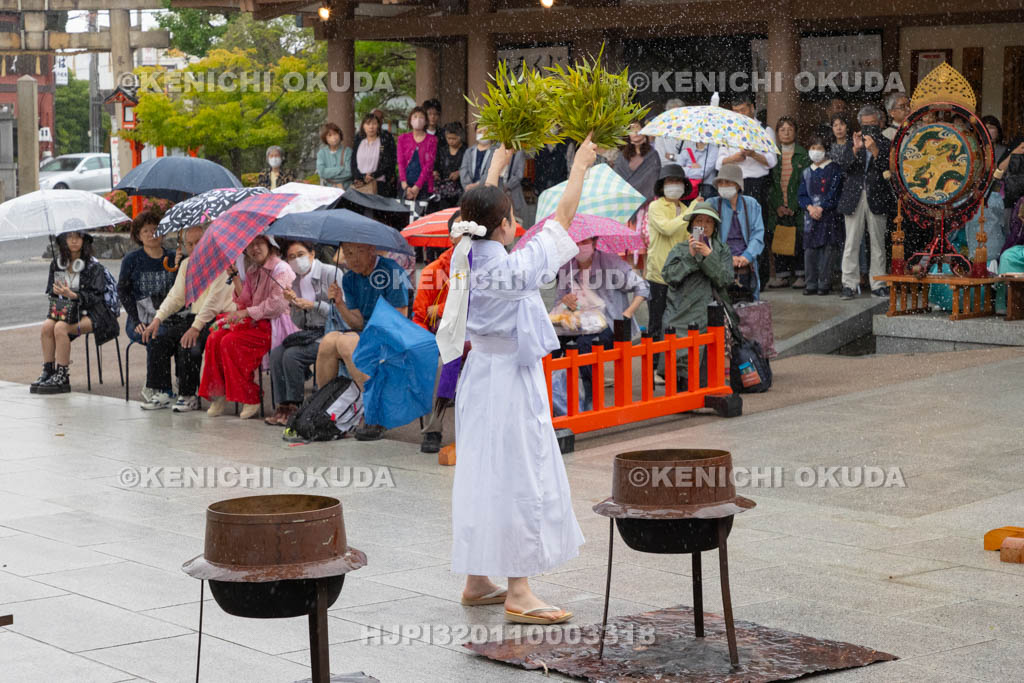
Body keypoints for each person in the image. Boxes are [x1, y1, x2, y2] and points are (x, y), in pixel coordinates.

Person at [439, 134, 597, 626]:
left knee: (483, 473)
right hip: (508, 379)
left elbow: (480, 210)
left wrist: (497, 162)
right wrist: (581, 166)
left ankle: (476, 578)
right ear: (504, 226)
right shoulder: (510, 270)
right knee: (517, 474)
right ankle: (520, 590)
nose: (517, 224)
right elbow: (562, 221)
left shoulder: (465, 251)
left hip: (480, 376)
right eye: (511, 218)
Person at [314, 241, 410, 441]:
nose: (353, 258)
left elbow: (400, 317)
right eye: (348, 253)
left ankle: (375, 413)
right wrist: (339, 303)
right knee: (329, 341)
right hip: (365, 333)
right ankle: (328, 407)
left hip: (393, 335)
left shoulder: (392, 272)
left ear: (372, 250)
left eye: (358, 252)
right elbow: (356, 322)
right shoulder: (350, 279)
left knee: (347, 343)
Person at [140, 223, 236, 412]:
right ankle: (164, 391)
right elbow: (176, 296)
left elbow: (213, 303)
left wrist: (195, 328)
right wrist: (157, 319)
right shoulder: (187, 264)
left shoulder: (223, 263)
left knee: (189, 344)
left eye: (198, 242)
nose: (194, 248)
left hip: (218, 318)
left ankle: (188, 395)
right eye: (190, 244)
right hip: (195, 317)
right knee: (158, 338)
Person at [200, 235, 296, 419]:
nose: (254, 249)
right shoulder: (253, 270)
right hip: (255, 321)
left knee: (231, 342)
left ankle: (250, 396)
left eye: (259, 243)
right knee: (214, 337)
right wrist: (235, 277)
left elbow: (277, 305)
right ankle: (219, 392)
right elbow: (246, 301)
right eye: (250, 245)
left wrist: (245, 313)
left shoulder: (281, 269)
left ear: (269, 245)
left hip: (274, 325)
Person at [554, 235, 648, 409]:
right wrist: (566, 300)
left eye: (585, 242)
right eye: (577, 242)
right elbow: (558, 300)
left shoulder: (610, 262)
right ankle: (549, 391)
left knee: (584, 345)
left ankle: (592, 395)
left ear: (595, 243)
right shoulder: (567, 266)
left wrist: (627, 314)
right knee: (551, 341)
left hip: (609, 324)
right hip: (577, 323)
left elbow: (642, 287)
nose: (580, 246)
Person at [264, 241, 346, 426]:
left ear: (312, 253)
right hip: (309, 334)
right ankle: (282, 405)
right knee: (277, 353)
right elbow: (300, 323)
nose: (296, 260)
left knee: (292, 356)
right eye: (291, 257)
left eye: (300, 254)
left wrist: (314, 305)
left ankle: (295, 406)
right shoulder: (296, 281)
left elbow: (342, 313)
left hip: (331, 332)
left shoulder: (330, 273)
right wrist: (294, 305)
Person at [33, 229, 119, 394]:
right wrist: (57, 291)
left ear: (84, 240)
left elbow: (97, 296)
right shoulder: (57, 264)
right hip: (67, 311)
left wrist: (74, 295)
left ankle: (63, 375)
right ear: (63, 240)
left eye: (78, 237)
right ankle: (48, 370)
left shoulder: (93, 266)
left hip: (94, 313)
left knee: (60, 328)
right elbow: (52, 293)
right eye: (69, 237)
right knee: (46, 327)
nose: (73, 241)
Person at [662, 202, 733, 387]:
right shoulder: (680, 249)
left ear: (714, 226)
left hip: (711, 310)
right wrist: (691, 255)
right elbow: (669, 276)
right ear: (692, 226)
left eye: (708, 221)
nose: (703, 225)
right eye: (699, 221)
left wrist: (709, 256)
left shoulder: (722, 250)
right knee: (677, 342)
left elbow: (725, 279)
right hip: (682, 308)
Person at [116, 210, 178, 408]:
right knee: (155, 336)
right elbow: (123, 292)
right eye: (146, 231)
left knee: (166, 335)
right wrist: (136, 321)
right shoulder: (132, 260)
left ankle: (164, 385)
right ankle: (161, 388)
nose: (153, 234)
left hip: (169, 316)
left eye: (156, 229)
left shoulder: (173, 257)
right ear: (138, 236)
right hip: (140, 318)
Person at [412, 210, 461, 453]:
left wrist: (441, 308)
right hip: (443, 340)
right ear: (451, 237)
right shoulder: (434, 271)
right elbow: (420, 316)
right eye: (460, 231)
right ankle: (433, 429)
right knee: (436, 364)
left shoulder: (489, 268)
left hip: (480, 340)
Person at [716, 94, 776, 284]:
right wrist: (736, 157)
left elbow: (772, 161)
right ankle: (734, 272)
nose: (740, 114)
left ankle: (760, 276)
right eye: (736, 112)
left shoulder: (764, 130)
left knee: (758, 228)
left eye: (743, 110)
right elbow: (718, 163)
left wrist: (754, 155)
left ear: (752, 108)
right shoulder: (728, 131)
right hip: (733, 183)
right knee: (732, 227)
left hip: (757, 184)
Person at [836, 105, 893, 299]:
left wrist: (875, 151)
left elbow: (889, 171)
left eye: (872, 125)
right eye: (865, 125)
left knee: (878, 242)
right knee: (851, 242)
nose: (868, 128)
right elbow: (843, 167)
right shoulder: (853, 142)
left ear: (880, 123)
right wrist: (854, 149)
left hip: (877, 195)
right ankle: (849, 284)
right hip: (854, 197)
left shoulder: (886, 143)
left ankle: (878, 283)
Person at [644, 164, 695, 380]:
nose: (673, 186)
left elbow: (687, 240)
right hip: (658, 275)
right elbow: (667, 228)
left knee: (675, 323)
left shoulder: (685, 210)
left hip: (679, 276)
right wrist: (693, 209)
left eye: (677, 182)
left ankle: (672, 364)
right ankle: (654, 367)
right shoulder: (656, 207)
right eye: (669, 182)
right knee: (657, 322)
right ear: (662, 186)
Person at [706, 163, 766, 299]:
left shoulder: (751, 204)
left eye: (728, 182)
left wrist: (747, 256)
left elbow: (758, 234)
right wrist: (698, 206)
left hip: (745, 264)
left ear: (738, 185)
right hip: (720, 264)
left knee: (747, 307)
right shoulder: (711, 203)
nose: (723, 185)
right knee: (720, 310)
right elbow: (704, 236)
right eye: (720, 182)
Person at [766, 117, 810, 289]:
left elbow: (804, 183)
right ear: (777, 133)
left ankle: (800, 274)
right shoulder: (772, 155)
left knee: (799, 239)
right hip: (777, 206)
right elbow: (769, 185)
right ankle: (782, 275)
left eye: (790, 129)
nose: (786, 132)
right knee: (778, 237)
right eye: (782, 129)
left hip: (797, 206)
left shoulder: (803, 155)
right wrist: (778, 206)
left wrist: (793, 205)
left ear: (796, 132)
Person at [798, 135, 844, 296]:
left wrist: (822, 207)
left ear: (826, 151)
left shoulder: (834, 169)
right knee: (809, 250)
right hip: (810, 216)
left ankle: (824, 282)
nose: (815, 152)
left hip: (829, 215)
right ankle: (810, 282)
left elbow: (834, 193)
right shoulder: (806, 172)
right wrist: (810, 207)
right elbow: (801, 195)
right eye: (812, 148)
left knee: (828, 249)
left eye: (819, 148)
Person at [350, 113, 398, 197]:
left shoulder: (384, 142)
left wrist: (373, 175)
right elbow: (353, 163)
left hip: (379, 184)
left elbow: (387, 162)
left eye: (374, 124)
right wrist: (362, 177)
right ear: (363, 126)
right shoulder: (359, 141)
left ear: (378, 126)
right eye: (368, 124)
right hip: (360, 184)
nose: (371, 127)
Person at [613, 120, 661, 201]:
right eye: (632, 129)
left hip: (648, 200)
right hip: (627, 199)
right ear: (628, 135)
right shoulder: (622, 156)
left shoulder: (653, 154)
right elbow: (617, 178)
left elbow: (654, 178)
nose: (636, 131)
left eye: (638, 128)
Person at [397, 106, 439, 201]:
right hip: (405, 184)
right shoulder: (402, 138)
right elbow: (400, 161)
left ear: (425, 121)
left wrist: (417, 186)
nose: (418, 120)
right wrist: (404, 184)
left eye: (421, 117)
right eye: (415, 116)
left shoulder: (432, 140)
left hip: (424, 185)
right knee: (404, 214)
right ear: (410, 120)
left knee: (422, 214)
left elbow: (429, 165)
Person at [433, 122, 466, 210]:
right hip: (443, 190)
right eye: (449, 138)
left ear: (460, 137)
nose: (451, 141)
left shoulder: (466, 151)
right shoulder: (442, 150)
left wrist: (459, 172)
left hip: (460, 189)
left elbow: (468, 168)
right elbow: (436, 165)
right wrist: (435, 173)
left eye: (454, 138)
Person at [316, 123, 353, 189]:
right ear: (325, 138)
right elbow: (321, 172)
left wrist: (329, 175)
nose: (333, 137)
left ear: (339, 135)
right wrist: (341, 168)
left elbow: (349, 172)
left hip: (345, 189)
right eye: (329, 135)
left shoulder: (348, 151)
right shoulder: (321, 153)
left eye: (335, 134)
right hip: (327, 189)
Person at [460, 124, 495, 193]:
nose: (483, 134)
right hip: (470, 191)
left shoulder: (495, 151)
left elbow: (492, 171)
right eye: (479, 132)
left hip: (488, 191)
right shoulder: (469, 151)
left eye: (485, 131)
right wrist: (468, 185)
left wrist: (478, 185)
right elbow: (464, 169)